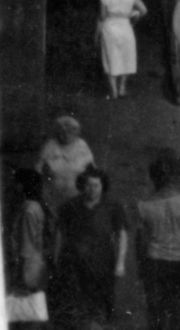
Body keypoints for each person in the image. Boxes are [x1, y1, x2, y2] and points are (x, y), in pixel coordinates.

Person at [53, 166, 127, 330]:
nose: (92, 189)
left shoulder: (113, 206)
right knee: (78, 304)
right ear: (82, 185)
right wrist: (57, 258)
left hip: (103, 263)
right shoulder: (70, 206)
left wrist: (120, 263)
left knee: (102, 302)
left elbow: (122, 235)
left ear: (102, 186)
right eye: (88, 185)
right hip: (76, 263)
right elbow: (60, 233)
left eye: (96, 185)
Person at [135, 156, 180, 330]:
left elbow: (141, 241)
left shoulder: (144, 206)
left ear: (152, 178)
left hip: (155, 262)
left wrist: (141, 266)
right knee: (179, 307)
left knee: (155, 309)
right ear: (171, 178)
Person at [7, 167, 53, 313]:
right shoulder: (34, 206)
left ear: (22, 185)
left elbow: (27, 244)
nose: (14, 186)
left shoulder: (29, 209)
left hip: (29, 265)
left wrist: (19, 271)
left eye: (16, 182)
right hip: (35, 262)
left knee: (27, 311)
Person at [96, 0, 147, 99]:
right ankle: (122, 89)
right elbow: (144, 10)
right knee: (126, 57)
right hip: (125, 26)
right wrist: (134, 17)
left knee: (111, 58)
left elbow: (102, 17)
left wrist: (96, 32)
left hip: (109, 28)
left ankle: (113, 91)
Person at [39, 116, 94, 218]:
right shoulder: (50, 145)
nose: (65, 134)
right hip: (53, 196)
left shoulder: (82, 145)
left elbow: (93, 171)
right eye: (61, 131)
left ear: (76, 132)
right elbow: (38, 170)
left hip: (77, 197)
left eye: (69, 131)